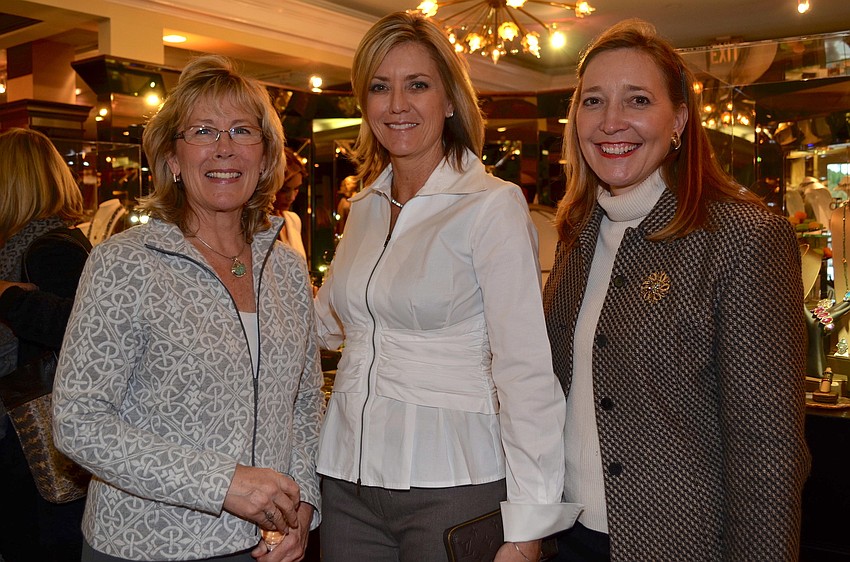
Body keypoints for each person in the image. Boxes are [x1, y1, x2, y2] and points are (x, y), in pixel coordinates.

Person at [314, 11, 579, 562]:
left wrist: (529, 525)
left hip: (453, 483)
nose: (397, 104)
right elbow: (322, 325)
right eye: (380, 87)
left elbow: (525, 370)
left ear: (451, 100)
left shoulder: (491, 206)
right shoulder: (363, 208)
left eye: (417, 85)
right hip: (345, 483)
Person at [542, 19, 810, 561]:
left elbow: (768, 452)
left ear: (679, 120)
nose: (611, 121)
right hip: (565, 537)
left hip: (680, 545)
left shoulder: (742, 238)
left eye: (637, 100)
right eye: (593, 101)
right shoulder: (576, 235)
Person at [52, 55, 324, 562]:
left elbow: (304, 402)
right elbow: (77, 421)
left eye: (242, 130)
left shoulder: (285, 267)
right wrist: (223, 482)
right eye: (203, 131)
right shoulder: (125, 262)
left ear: (265, 157)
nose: (224, 147)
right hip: (147, 544)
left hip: (266, 546)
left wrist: (303, 503)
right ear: (173, 159)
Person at [0, 127, 90, 562]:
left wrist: (9, 297)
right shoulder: (52, 242)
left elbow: (81, 330)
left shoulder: (48, 249)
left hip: (38, 439)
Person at [273, 147, 307, 259]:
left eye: (296, 188)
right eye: (284, 190)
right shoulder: (254, 224)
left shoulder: (293, 220)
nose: (291, 197)